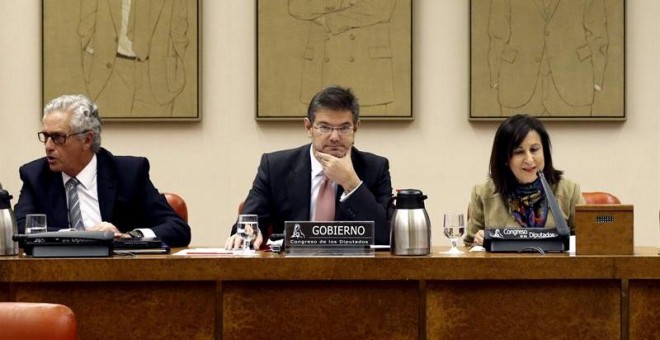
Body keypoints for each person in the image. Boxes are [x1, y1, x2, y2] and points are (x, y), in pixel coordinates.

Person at [225, 85, 393, 249]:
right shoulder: (275, 167)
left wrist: (352, 183)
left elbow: (386, 236)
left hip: (353, 272)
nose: (335, 137)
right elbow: (249, 224)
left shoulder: (375, 168)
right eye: (325, 127)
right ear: (308, 127)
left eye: (344, 128)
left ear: (356, 127)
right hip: (290, 272)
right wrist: (249, 234)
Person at [14, 94, 191, 247]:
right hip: (57, 277)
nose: (48, 146)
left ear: (87, 140)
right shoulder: (36, 175)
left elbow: (176, 228)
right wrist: (74, 236)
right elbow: (20, 228)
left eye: (58, 137)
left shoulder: (128, 173)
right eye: (45, 136)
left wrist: (127, 236)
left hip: (119, 277)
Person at [464, 114, 584, 246]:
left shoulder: (569, 191)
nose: (529, 159)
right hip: (502, 267)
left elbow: (588, 243)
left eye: (534, 150)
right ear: (505, 159)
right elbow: (469, 248)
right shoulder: (483, 194)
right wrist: (477, 241)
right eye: (519, 152)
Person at [488, 0, 609, 116]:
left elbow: (598, 35)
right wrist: (496, 75)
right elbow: (498, 33)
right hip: (517, 83)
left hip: (575, 83)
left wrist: (597, 77)